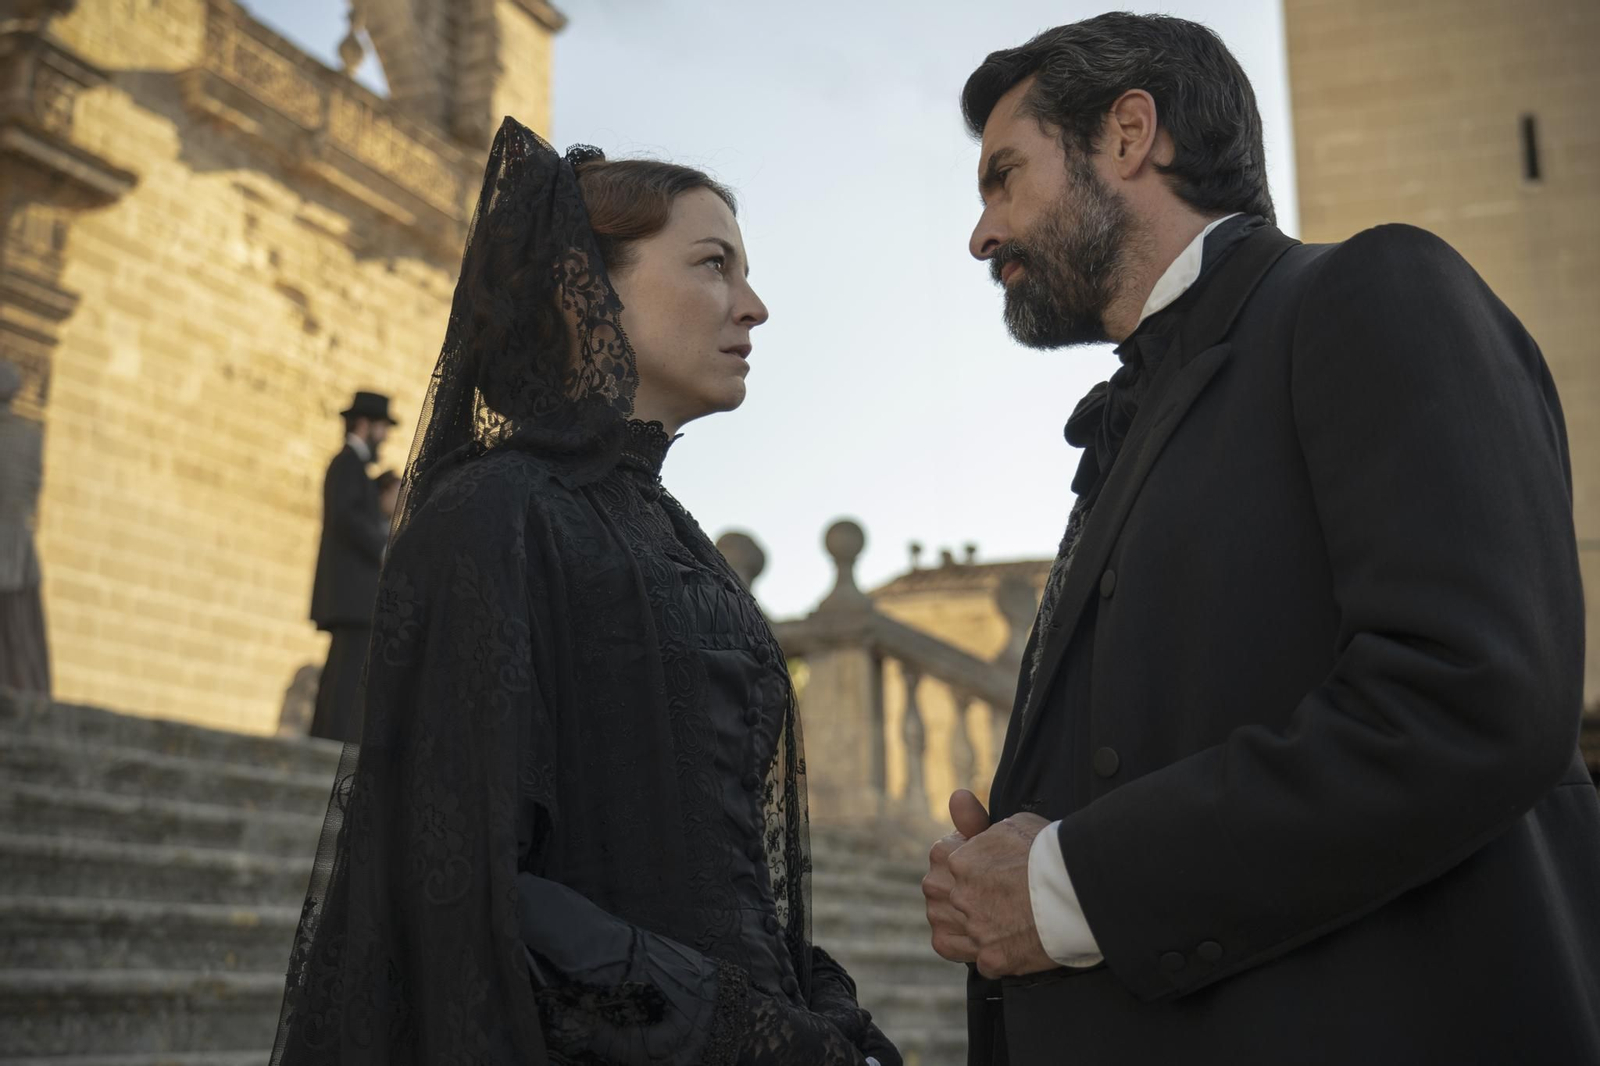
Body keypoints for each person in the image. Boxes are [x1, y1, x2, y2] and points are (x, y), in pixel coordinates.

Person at [922, 13, 1600, 1065]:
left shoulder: (1371, 290)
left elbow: (1469, 697)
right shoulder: (1135, 410)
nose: (980, 234)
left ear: (1129, 134)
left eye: (1002, 177)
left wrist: (1065, 885)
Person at [271, 118, 898, 1066]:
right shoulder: (494, 513)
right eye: (713, 264)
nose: (754, 304)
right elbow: (471, 877)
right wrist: (740, 1032)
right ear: (587, 292)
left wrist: (817, 1009)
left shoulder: (673, 533)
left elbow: (718, 871)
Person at [307, 390, 395, 742]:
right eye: (381, 428)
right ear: (363, 424)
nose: (385, 437)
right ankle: (332, 743)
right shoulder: (346, 464)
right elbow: (345, 517)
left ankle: (324, 736)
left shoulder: (354, 467)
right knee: (346, 674)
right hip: (351, 592)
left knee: (341, 670)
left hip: (351, 594)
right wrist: (382, 546)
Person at [0, 360, 49, 694]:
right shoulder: (32, 435)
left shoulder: (26, 436)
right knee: (20, 635)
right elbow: (33, 490)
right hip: (18, 544)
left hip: (11, 541)